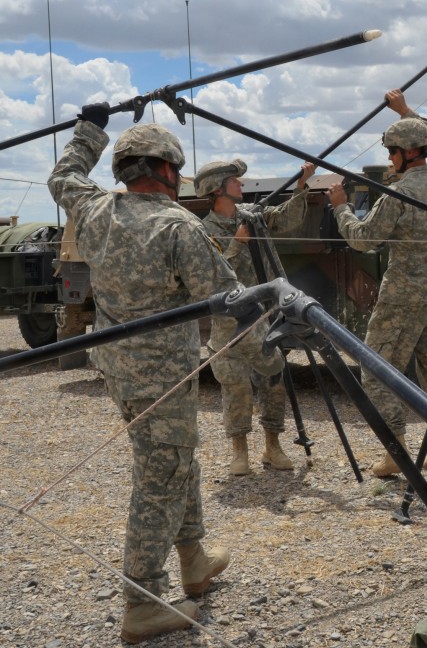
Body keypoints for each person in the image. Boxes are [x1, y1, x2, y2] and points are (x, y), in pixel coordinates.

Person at [48, 104, 282, 644]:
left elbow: (63, 175)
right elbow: (231, 303)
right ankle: (143, 601)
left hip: (121, 373)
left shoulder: (93, 210)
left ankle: (194, 558)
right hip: (164, 377)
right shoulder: (178, 227)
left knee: (178, 460)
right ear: (169, 170)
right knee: (161, 477)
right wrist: (274, 335)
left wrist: (90, 129)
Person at [327, 89, 427, 477]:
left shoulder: (398, 194)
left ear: (406, 153)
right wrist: (406, 111)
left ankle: (395, 452)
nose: (389, 159)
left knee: (376, 370)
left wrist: (340, 207)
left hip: (402, 296)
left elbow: (363, 239)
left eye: (391, 152)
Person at [194, 157, 315, 475]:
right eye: (235, 181)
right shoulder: (203, 231)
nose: (242, 185)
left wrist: (302, 185)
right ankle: (239, 453)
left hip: (265, 320)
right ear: (217, 188)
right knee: (235, 387)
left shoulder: (253, 216)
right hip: (230, 323)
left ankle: (272, 447)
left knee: (273, 381)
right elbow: (207, 278)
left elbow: (287, 220)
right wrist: (236, 244)